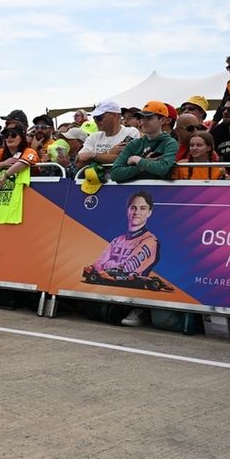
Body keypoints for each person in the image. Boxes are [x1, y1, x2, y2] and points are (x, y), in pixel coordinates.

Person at [86, 191, 161, 327]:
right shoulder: (117, 240)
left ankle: (140, 311)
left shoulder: (150, 241)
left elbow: (126, 269)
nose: (137, 212)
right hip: (107, 291)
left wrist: (107, 265)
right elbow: (97, 264)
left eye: (142, 208)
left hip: (133, 295)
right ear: (127, 211)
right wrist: (107, 266)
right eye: (133, 207)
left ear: (150, 212)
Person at [108, 100, 179, 182]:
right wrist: (141, 165)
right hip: (134, 192)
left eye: (149, 118)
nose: (143, 122)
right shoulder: (134, 144)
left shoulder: (170, 143)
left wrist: (137, 160)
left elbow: (163, 169)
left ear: (163, 120)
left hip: (162, 192)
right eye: (141, 118)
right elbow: (115, 174)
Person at [76, 99, 140, 166]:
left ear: (114, 116)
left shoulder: (131, 132)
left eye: (99, 117)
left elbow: (124, 159)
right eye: (94, 118)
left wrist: (92, 155)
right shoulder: (93, 137)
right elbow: (79, 162)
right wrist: (109, 152)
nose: (95, 121)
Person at [0, 124, 38, 189]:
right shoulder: (0, 152)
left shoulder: (30, 151)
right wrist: (3, 164)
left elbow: (22, 163)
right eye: (7, 135)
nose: (9, 137)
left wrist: (5, 175)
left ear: (22, 137)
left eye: (13, 135)